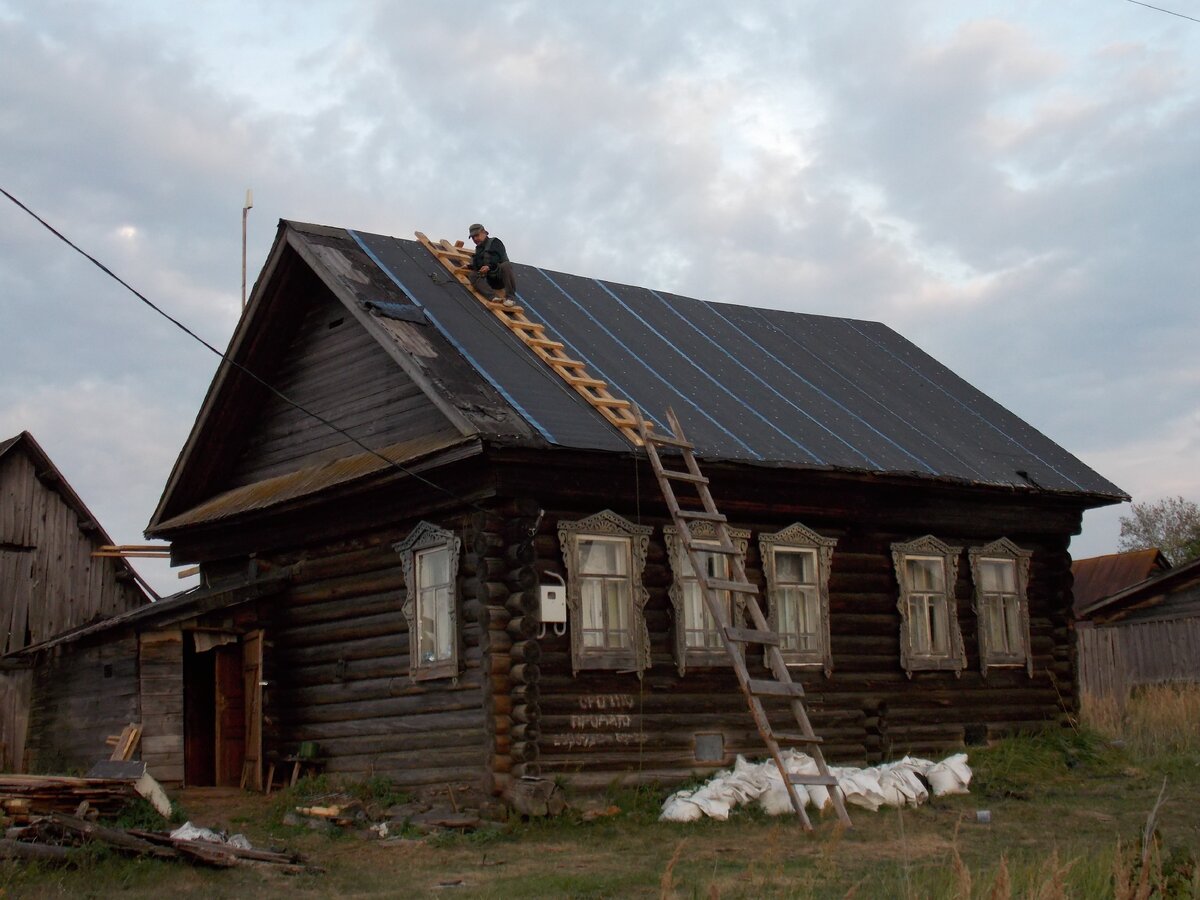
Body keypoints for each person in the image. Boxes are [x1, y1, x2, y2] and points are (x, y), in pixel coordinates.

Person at [466, 223, 518, 307]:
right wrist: (470, 266)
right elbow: (478, 265)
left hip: (500, 276)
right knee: (473, 275)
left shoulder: (495, 242)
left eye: (477, 235)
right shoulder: (478, 249)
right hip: (489, 279)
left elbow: (498, 258)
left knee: (506, 265)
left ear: (484, 233)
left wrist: (489, 267)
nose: (475, 239)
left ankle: (510, 298)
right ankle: (492, 297)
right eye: (473, 237)